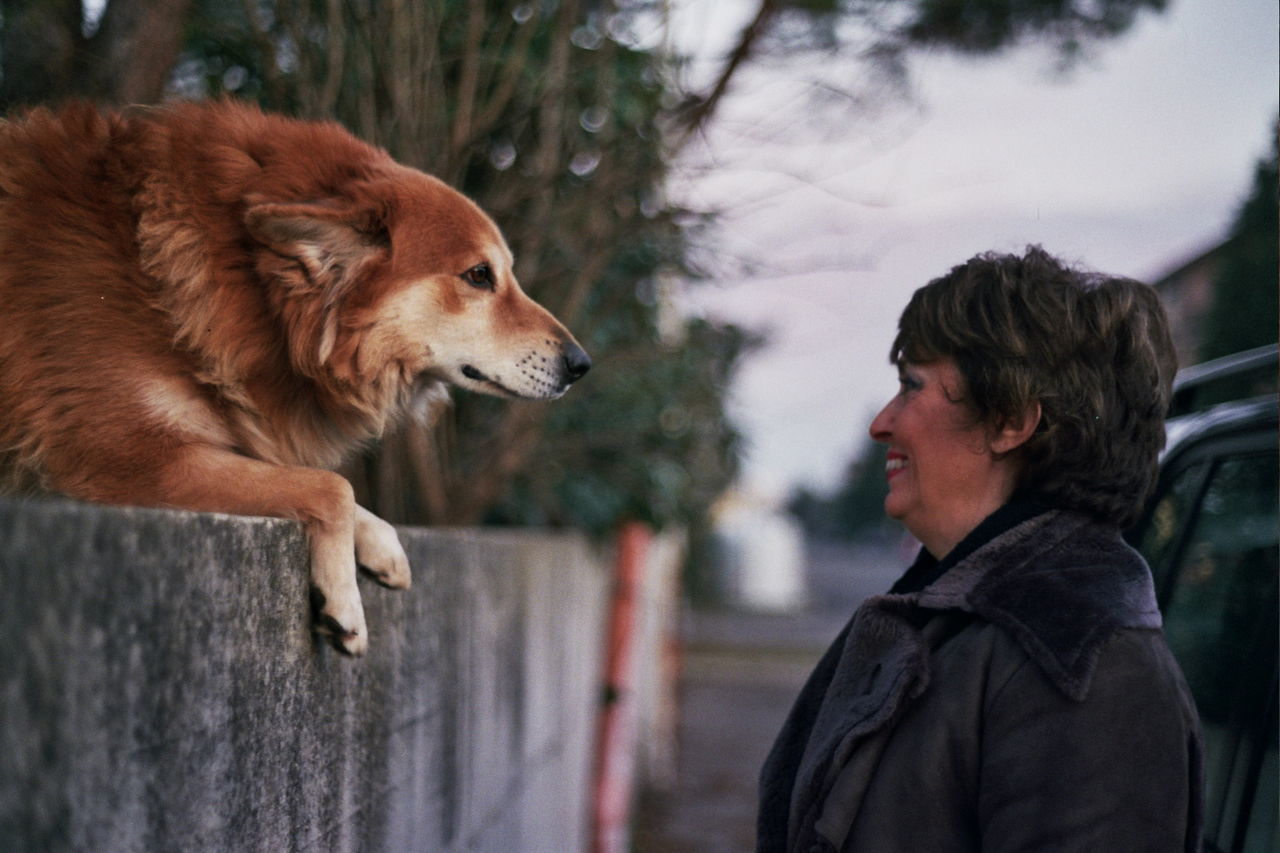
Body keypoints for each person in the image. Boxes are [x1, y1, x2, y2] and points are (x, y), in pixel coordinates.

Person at [757, 246, 1203, 852]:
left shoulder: (1084, 663)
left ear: (1009, 422)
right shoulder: (955, 617)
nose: (882, 423)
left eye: (912, 388)